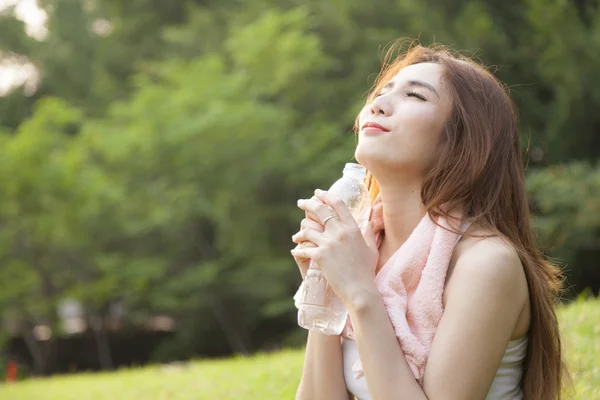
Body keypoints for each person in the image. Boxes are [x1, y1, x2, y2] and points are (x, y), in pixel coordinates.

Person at [290, 43, 568, 400]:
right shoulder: (361, 247)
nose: (377, 104)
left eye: (416, 97)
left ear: (463, 142)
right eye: (380, 92)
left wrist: (360, 291)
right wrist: (329, 288)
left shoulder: (486, 263)